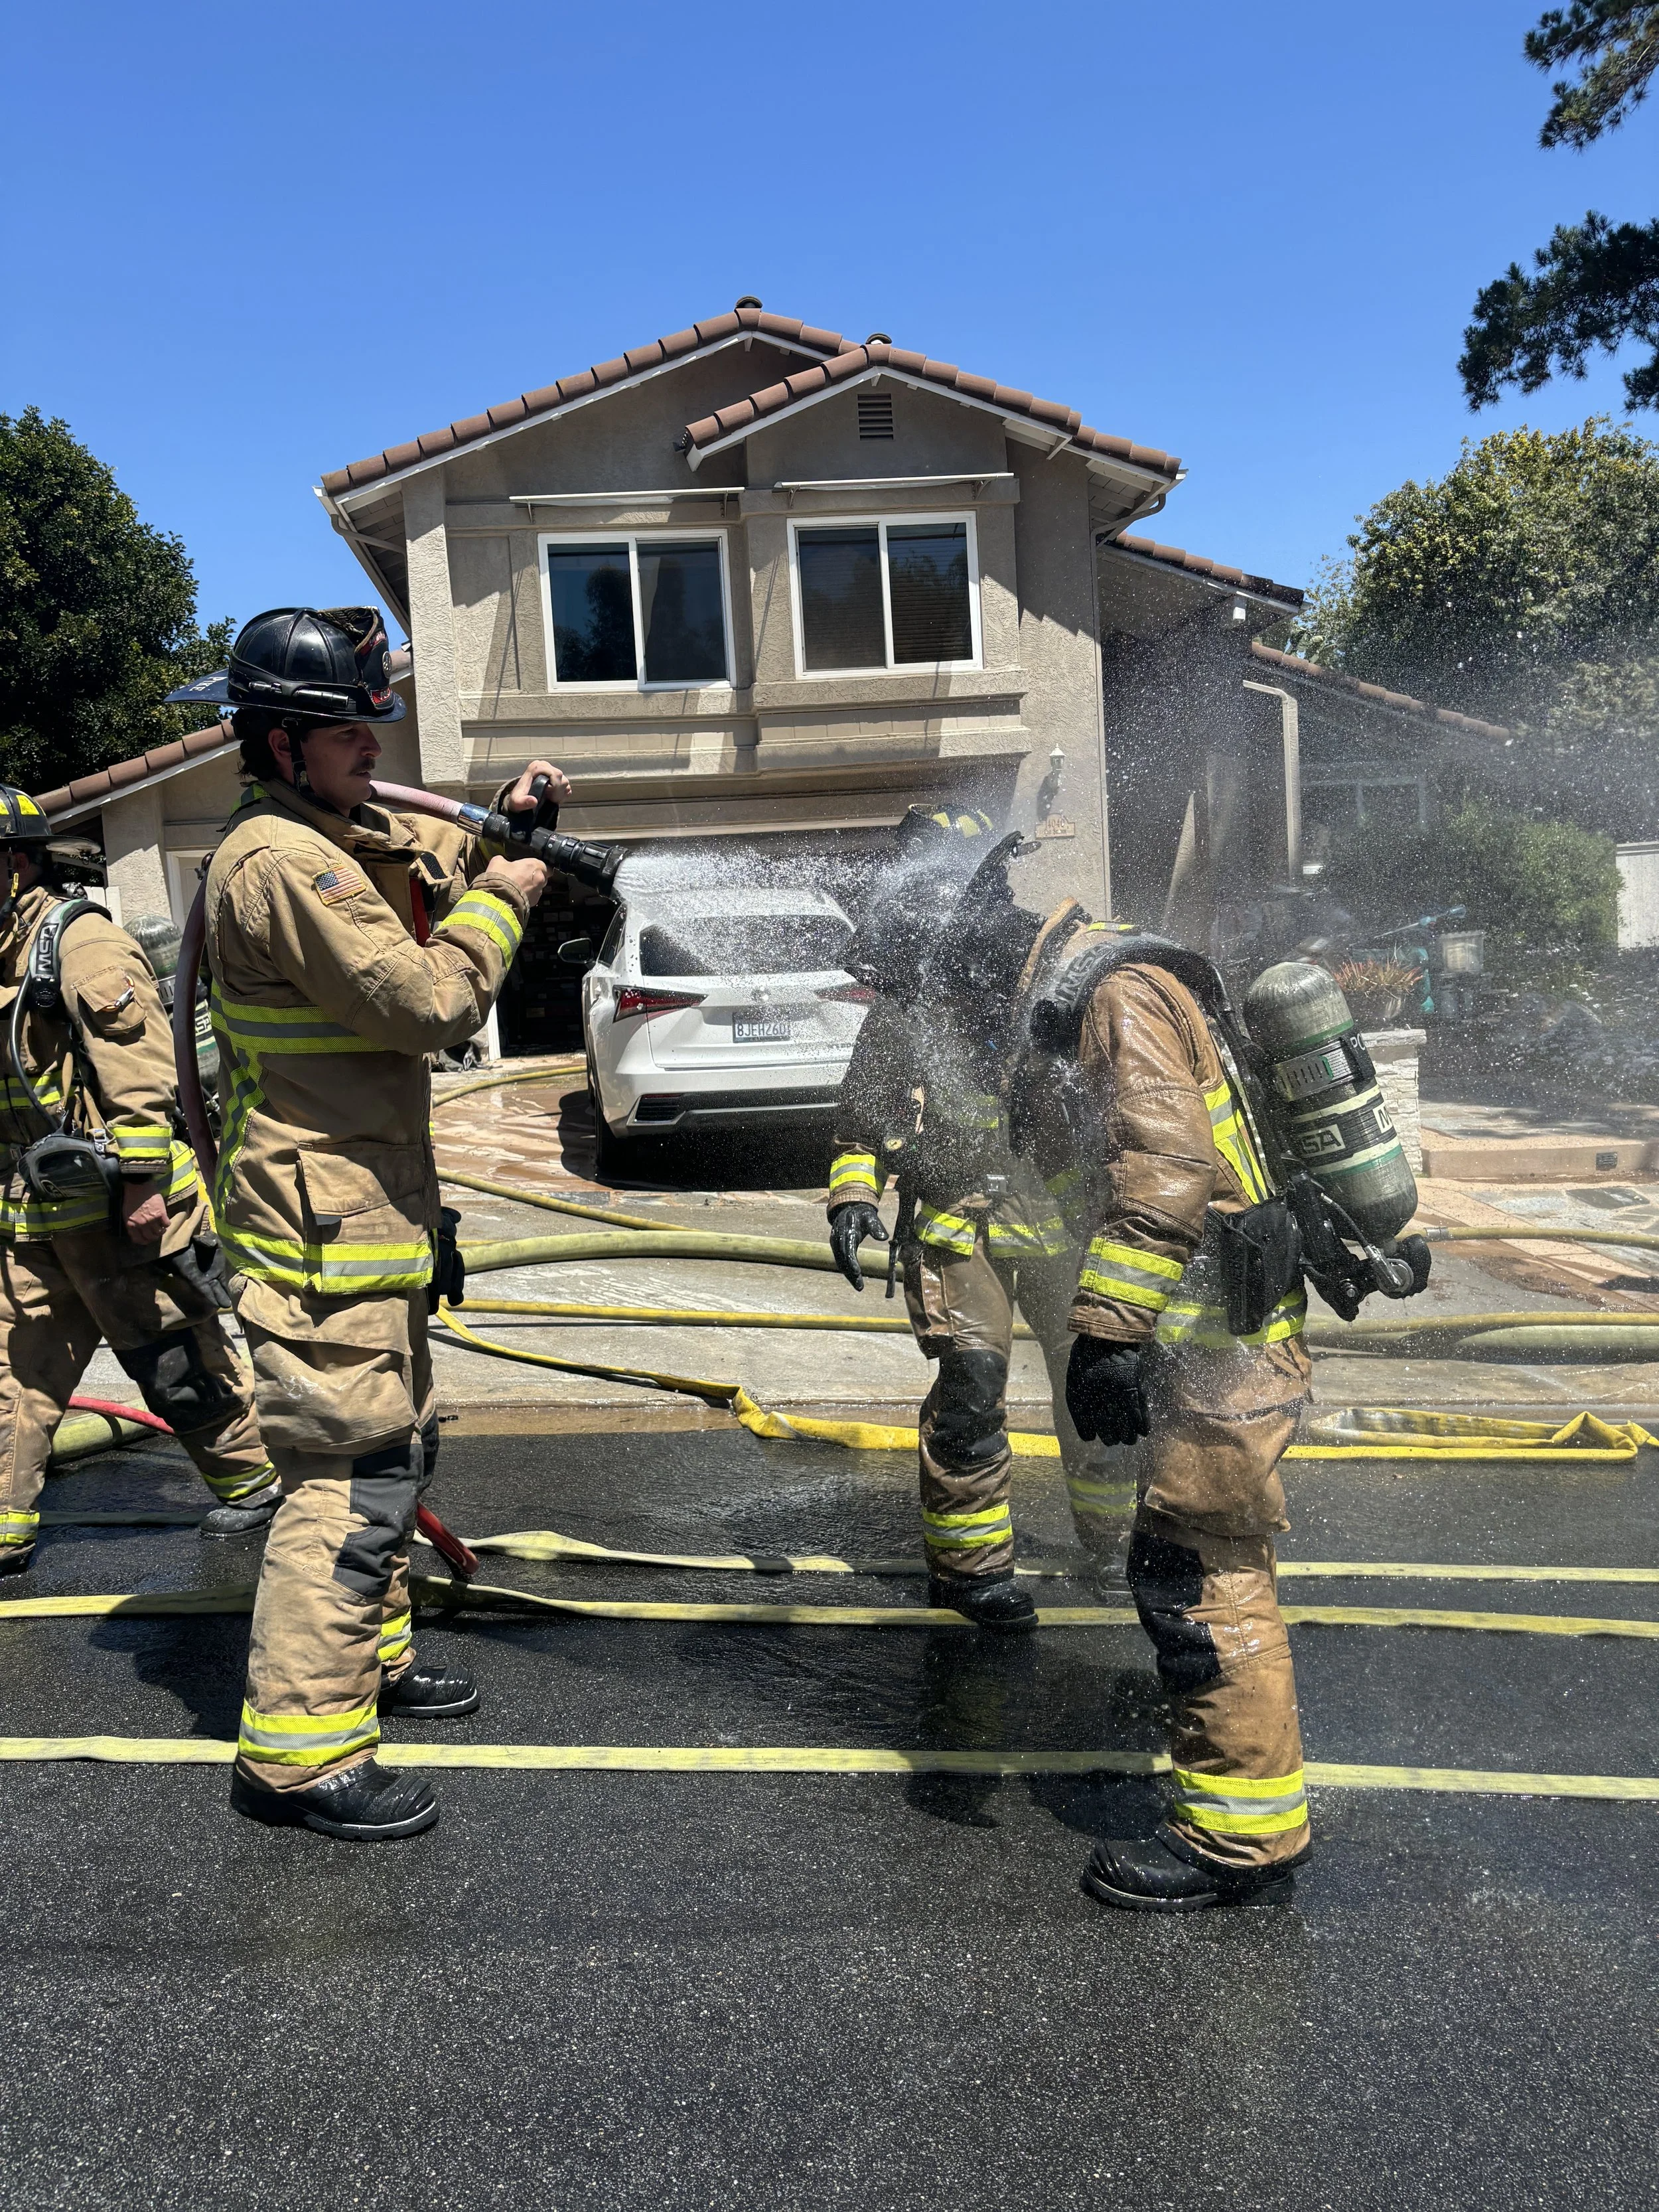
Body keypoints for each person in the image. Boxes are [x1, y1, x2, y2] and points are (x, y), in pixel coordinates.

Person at [174, 605, 560, 1841]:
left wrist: (492, 818)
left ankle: (369, 1663)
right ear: (282, 743)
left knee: (393, 1453)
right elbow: (424, 999)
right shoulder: (283, 864)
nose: (369, 749)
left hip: (363, 1220)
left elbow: (396, 851)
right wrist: (507, 894)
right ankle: (298, 1755)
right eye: (348, 733)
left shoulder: (322, 832)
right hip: (318, 1236)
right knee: (345, 1480)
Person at [1012, 896, 1318, 1912]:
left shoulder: (1112, 993)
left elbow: (1167, 1165)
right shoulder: (1139, 973)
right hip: (1222, 1334)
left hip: (1221, 1345)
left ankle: (1241, 1839)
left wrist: (1106, 1331)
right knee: (1202, 1560)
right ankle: (1241, 1803)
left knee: (1201, 1571)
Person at [825, 811, 1127, 1633]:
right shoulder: (910, 997)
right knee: (970, 1386)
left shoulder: (1057, 981)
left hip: (1064, 1225)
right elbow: (864, 1116)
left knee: (1097, 1385)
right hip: (962, 1226)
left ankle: (1117, 1546)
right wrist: (854, 1197)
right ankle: (970, 1568)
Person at [0, 790, 277, 1573]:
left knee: (173, 1357)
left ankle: (253, 1483)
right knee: (16, 1369)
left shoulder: (78, 944)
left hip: (121, 1211)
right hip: (33, 1214)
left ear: (18, 863)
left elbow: (139, 1072)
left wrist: (145, 1183)